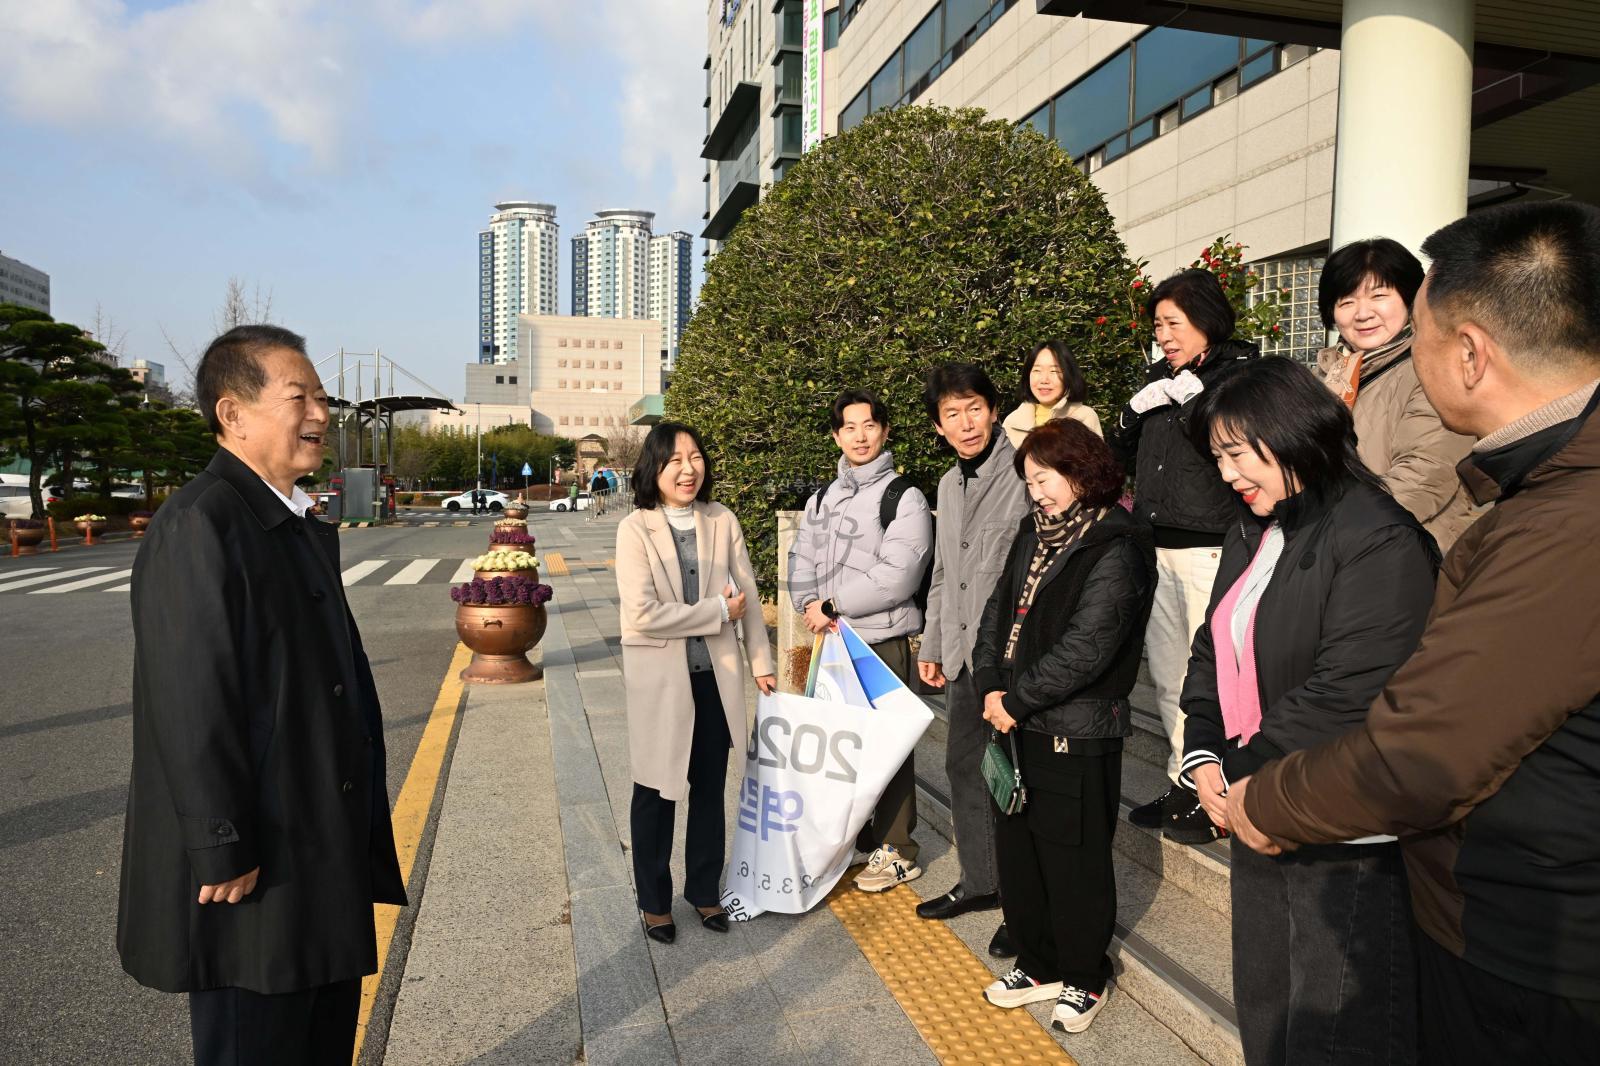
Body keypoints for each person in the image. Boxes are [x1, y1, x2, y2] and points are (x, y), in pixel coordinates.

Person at [1226, 201, 1600, 1066]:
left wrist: (1265, 799)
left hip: (1530, 947)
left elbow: (1421, 754)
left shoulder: (1562, 525)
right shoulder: (1546, 486)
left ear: (1470, 353)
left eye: (1416, 324)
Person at [117, 325, 406, 1066]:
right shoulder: (201, 524)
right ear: (233, 415)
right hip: (256, 870)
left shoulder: (293, 522)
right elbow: (191, 701)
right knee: (259, 1041)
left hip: (317, 848)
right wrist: (222, 846)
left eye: (323, 397)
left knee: (321, 1038)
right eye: (298, 396)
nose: (320, 413)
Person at [1179, 357, 1438, 1064]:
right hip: (1253, 802)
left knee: (1339, 1030)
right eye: (1218, 458)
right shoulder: (1254, 528)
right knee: (1268, 1004)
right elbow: (1213, 647)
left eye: (1236, 453)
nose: (1228, 474)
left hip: (1340, 828)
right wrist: (1203, 751)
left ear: (1291, 431)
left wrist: (1241, 769)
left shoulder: (1378, 536)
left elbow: (1349, 687)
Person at [971, 419, 1155, 1034]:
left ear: (1081, 472)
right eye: (1030, 482)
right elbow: (1000, 606)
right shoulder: (1033, 531)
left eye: (1045, 480)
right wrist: (988, 680)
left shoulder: (1119, 544)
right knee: (1020, 850)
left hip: (1075, 727)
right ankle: (1038, 958)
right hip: (1016, 715)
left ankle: (1085, 975)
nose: (1037, 494)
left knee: (1073, 858)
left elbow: (1090, 645)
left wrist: (1016, 699)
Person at [1106, 267, 1259, 843]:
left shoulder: (1240, 374)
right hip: (1157, 546)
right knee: (1169, 677)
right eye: (1158, 326)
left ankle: (1216, 795)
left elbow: (1236, 443)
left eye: (1173, 323)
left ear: (1205, 318)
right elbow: (1119, 450)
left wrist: (1196, 402)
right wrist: (1131, 410)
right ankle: (1183, 781)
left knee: (1212, 680)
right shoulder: (1158, 376)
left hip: (1213, 548)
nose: (1164, 335)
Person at [616, 421, 777, 944]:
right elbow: (642, 614)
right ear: (653, 469)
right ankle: (654, 903)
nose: (688, 469)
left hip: (715, 680)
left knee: (709, 791)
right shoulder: (635, 528)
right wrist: (714, 612)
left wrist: (761, 663)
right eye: (673, 461)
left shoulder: (721, 519)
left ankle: (704, 892)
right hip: (661, 684)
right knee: (656, 792)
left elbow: (747, 596)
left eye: (695, 457)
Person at [789, 388, 934, 892]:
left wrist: (831, 606)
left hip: (880, 641)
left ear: (885, 430)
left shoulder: (903, 496)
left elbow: (900, 574)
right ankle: (859, 838)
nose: (860, 436)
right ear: (836, 435)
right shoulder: (823, 497)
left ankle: (898, 849)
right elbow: (800, 556)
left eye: (869, 425)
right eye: (849, 427)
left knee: (889, 748)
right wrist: (806, 604)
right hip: (831, 641)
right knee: (844, 750)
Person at [914, 363, 1030, 958]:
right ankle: (982, 882)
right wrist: (932, 645)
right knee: (964, 768)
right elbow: (942, 575)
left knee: (1017, 780)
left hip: (1013, 662)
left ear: (993, 409)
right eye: (952, 414)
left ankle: (1025, 904)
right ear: (938, 426)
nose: (966, 423)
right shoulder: (946, 485)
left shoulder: (1026, 469)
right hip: (961, 657)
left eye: (975, 409)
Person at [1317, 237, 1477, 551]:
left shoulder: (1433, 368)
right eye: (1346, 301)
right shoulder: (1323, 377)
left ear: (1411, 299)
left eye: (1378, 296)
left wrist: (1333, 529)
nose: (1362, 313)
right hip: (1337, 547)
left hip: (1409, 548)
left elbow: (1425, 473)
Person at [1000, 340, 1103, 449]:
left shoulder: (1084, 417)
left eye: (1054, 371)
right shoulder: (1013, 422)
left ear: (1069, 375)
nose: (1044, 380)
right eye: (1037, 370)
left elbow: (1098, 464)